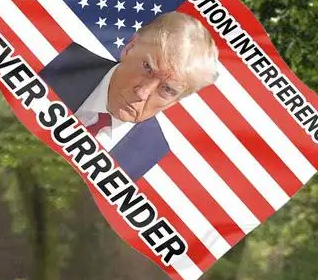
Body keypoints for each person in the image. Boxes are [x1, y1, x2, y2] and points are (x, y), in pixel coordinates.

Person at [39, 11, 219, 181]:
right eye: (148, 68)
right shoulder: (52, 63)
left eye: (167, 90)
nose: (142, 93)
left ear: (176, 101)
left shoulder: (153, 160)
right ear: (130, 47)